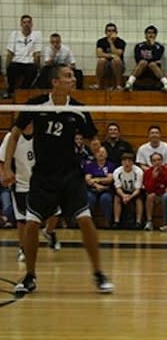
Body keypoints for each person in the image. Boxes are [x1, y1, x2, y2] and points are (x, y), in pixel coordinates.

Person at [2, 64, 114, 294]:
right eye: (68, 76)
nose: (73, 79)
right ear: (55, 82)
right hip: (42, 176)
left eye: (73, 75)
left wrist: (97, 150)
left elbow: (91, 138)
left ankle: (98, 273)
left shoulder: (78, 110)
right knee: (32, 224)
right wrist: (6, 168)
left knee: (85, 221)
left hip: (71, 175)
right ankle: (30, 276)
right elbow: (14, 136)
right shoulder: (35, 105)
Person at [0, 123, 61, 261]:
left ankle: (48, 232)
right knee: (23, 220)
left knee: (56, 212)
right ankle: (23, 248)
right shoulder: (12, 137)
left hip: (44, 182)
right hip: (21, 183)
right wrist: (4, 174)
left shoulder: (45, 135)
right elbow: (1, 160)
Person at [124, 25, 167, 92]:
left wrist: (152, 46)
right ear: (145, 35)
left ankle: (166, 84)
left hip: (154, 68)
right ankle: (129, 83)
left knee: (152, 64)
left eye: (153, 33)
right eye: (149, 33)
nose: (151, 35)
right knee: (143, 62)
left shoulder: (159, 47)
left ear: (155, 35)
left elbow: (157, 57)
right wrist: (149, 60)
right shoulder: (139, 46)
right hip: (142, 67)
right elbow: (138, 58)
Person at [4, 14, 42, 99]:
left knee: (33, 70)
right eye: (24, 22)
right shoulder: (14, 34)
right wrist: (6, 68)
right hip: (16, 62)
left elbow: (37, 53)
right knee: (11, 68)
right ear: (21, 24)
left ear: (32, 24)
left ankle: (22, 91)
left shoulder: (37, 34)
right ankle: (10, 91)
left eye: (29, 22)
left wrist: (37, 66)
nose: (26, 24)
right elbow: (10, 52)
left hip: (29, 63)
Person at [84, 146, 116, 228]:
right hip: (92, 189)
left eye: (103, 152)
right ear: (95, 154)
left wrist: (96, 179)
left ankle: (107, 221)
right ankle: (89, 222)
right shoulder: (90, 165)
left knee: (105, 198)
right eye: (98, 152)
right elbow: (88, 179)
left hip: (106, 189)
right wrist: (96, 185)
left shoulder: (110, 165)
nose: (100, 154)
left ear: (106, 154)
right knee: (89, 198)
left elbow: (109, 179)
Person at [143, 152, 167, 231]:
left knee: (166, 196)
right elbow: (148, 190)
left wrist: (163, 175)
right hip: (155, 195)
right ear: (151, 162)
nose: (157, 162)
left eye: (159, 160)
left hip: (166, 194)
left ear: (162, 161)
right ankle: (149, 221)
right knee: (150, 196)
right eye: (154, 160)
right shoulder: (147, 172)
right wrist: (153, 178)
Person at [112, 153, 144, 229]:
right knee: (117, 198)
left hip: (134, 191)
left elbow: (138, 189)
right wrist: (123, 195)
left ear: (133, 163)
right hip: (123, 191)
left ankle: (138, 222)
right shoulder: (117, 172)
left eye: (129, 161)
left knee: (139, 200)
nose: (127, 163)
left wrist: (130, 197)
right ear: (121, 162)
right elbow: (118, 188)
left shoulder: (138, 172)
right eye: (125, 161)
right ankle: (117, 221)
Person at [95, 22, 126, 90]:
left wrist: (111, 42)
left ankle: (118, 85)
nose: (111, 33)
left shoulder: (121, 42)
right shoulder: (101, 41)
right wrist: (112, 55)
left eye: (113, 31)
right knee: (101, 60)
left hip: (118, 65)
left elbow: (118, 54)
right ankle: (98, 84)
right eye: (109, 31)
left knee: (116, 60)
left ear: (116, 32)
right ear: (105, 32)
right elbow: (99, 54)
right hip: (105, 65)